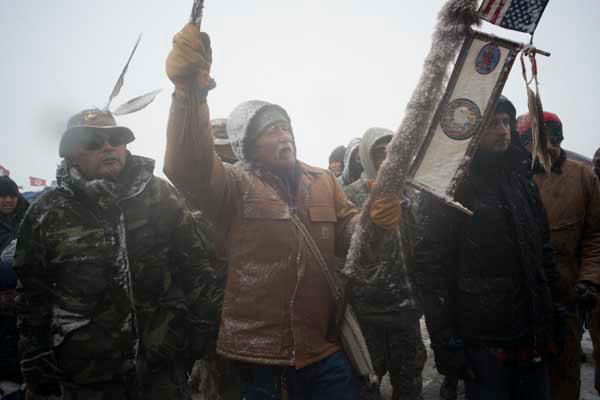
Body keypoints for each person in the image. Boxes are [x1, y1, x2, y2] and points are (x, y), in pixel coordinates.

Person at [164, 23, 403, 399]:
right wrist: (188, 93)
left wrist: (373, 222)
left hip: (322, 347)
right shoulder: (232, 185)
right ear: (247, 146)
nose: (283, 136)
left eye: (284, 126)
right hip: (258, 358)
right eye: (269, 132)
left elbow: (352, 240)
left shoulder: (324, 180)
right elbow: (187, 167)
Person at [14, 108, 221, 400]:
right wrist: (34, 358)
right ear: (72, 154)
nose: (108, 147)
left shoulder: (161, 196)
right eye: (93, 143)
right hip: (86, 373)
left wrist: (205, 333)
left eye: (115, 139)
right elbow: (31, 294)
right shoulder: (46, 212)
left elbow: (196, 267)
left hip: (163, 365)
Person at [415, 96, 564, 400]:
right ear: (471, 130)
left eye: (506, 122)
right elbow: (432, 270)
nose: (503, 131)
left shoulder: (522, 180)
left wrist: (556, 311)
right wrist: (445, 341)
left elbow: (543, 251)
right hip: (483, 343)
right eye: (492, 124)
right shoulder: (449, 186)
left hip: (532, 334)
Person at [516, 111, 600, 399]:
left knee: (564, 381)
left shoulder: (584, 178)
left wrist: (589, 281)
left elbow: (595, 237)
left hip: (568, 300)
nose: (550, 147)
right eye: (540, 140)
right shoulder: (512, 180)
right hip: (518, 307)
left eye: (556, 139)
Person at [343, 127, 426, 400]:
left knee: (410, 386)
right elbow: (344, 245)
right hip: (368, 314)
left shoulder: (412, 192)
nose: (386, 159)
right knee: (368, 387)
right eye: (379, 153)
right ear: (366, 158)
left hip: (406, 312)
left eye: (392, 152)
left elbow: (423, 246)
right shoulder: (350, 194)